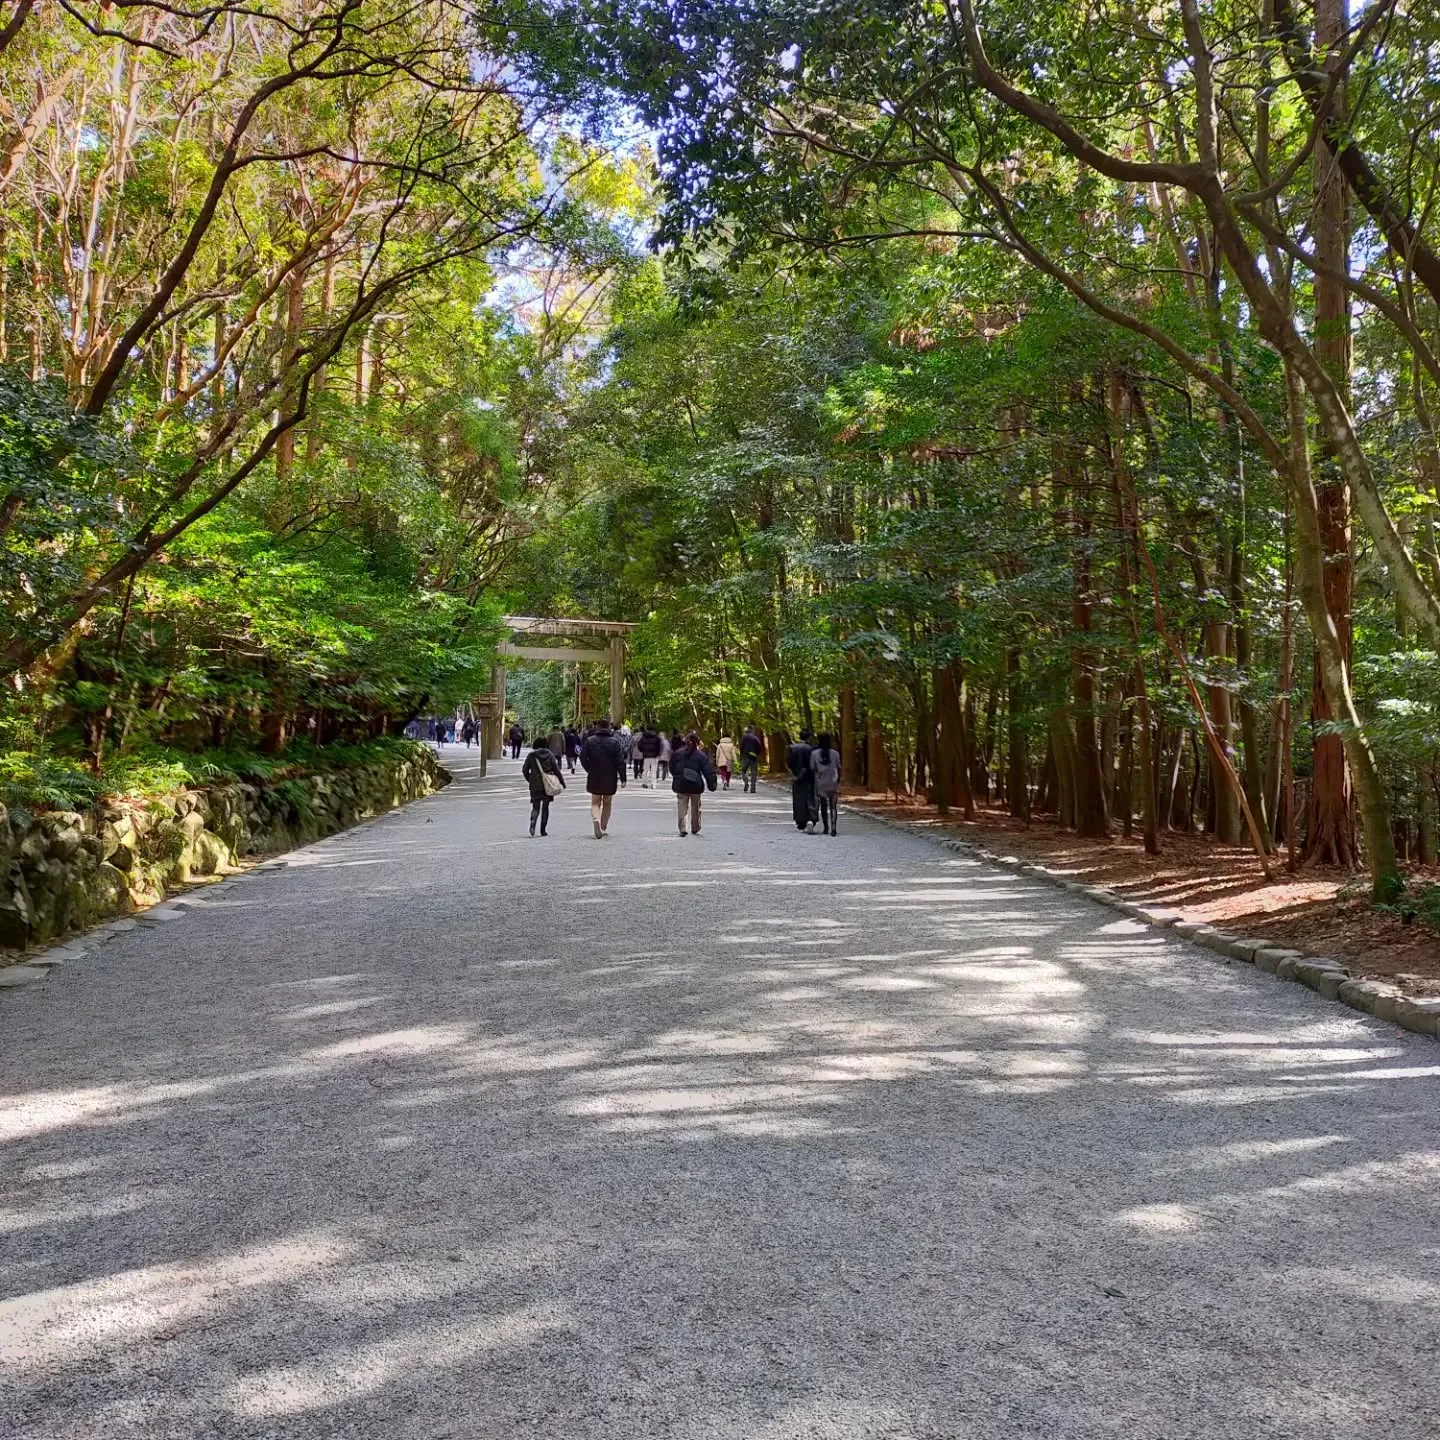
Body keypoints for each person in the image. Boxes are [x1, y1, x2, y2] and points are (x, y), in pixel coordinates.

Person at [580, 717, 627, 839]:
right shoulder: (615, 742)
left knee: (595, 802)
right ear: (609, 727)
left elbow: (582, 757)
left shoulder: (590, 741)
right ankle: (603, 827)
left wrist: (588, 769)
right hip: (610, 775)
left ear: (598, 727)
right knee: (607, 803)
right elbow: (620, 761)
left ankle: (596, 819)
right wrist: (623, 778)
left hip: (594, 774)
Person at [671, 730, 717, 836]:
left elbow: (672, 767)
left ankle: (683, 828)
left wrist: (677, 776)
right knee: (696, 806)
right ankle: (695, 826)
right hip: (696, 784)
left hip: (681, 784)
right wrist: (712, 785)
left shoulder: (678, 753)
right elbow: (708, 772)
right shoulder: (701, 756)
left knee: (682, 805)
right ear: (697, 743)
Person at [522, 737, 565, 836]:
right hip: (548, 784)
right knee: (545, 807)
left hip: (535, 784)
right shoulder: (550, 754)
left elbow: (525, 770)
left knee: (535, 806)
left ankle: (533, 820)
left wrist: (530, 779)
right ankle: (543, 830)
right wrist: (562, 782)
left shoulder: (531, 755)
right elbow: (556, 770)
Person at [787, 728, 818, 833]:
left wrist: (794, 772)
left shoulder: (792, 748)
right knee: (810, 797)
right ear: (808, 737)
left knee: (798, 798)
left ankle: (800, 821)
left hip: (797, 776)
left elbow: (789, 762)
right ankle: (811, 818)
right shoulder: (811, 749)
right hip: (809, 776)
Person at [811, 731, 841, 835]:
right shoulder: (835, 754)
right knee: (833, 806)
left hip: (821, 782)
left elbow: (812, 767)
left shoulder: (815, 754)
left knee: (823, 805)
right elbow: (838, 767)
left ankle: (826, 827)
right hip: (833, 781)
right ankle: (834, 827)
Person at [739, 724, 763, 792]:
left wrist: (741, 756)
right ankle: (753, 788)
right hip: (754, 758)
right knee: (754, 772)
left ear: (746, 731)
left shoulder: (743, 738)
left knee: (743, 771)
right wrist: (756, 754)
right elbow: (759, 747)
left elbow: (741, 747)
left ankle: (746, 782)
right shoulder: (755, 738)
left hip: (745, 757)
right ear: (751, 731)